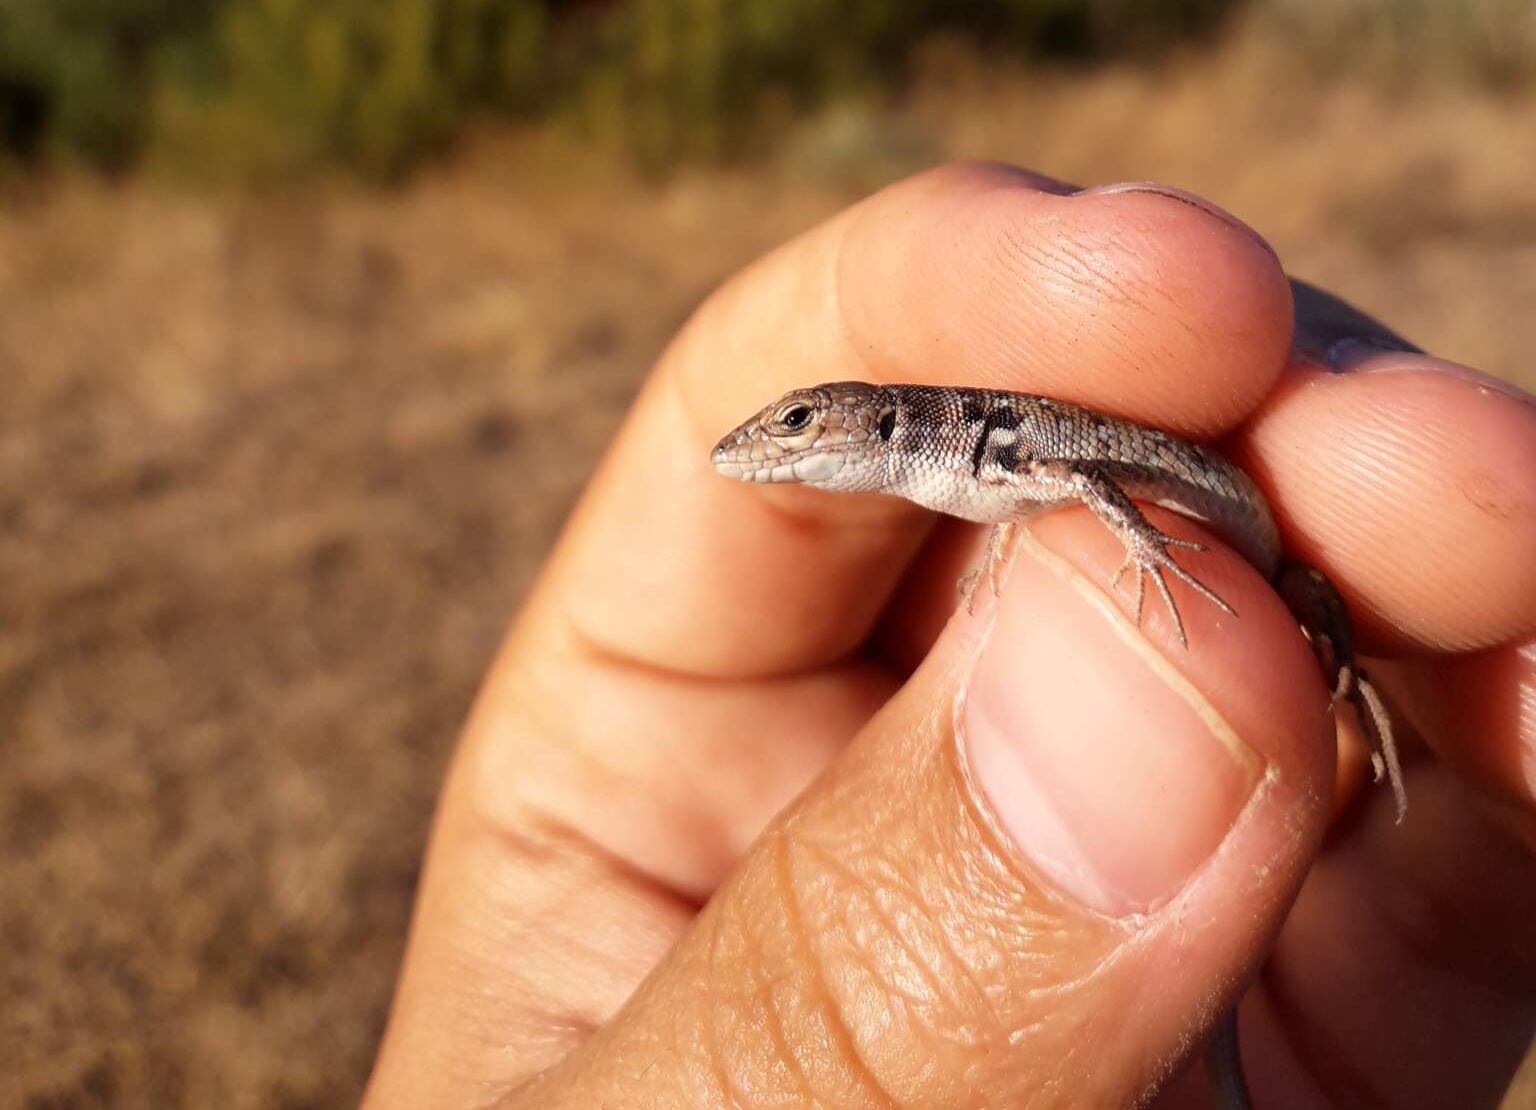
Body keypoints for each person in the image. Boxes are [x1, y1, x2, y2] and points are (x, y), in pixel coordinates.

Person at [361, 165, 1536, 1109]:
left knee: (1322, 608)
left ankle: (1361, 690)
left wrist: (1133, 544)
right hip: (1240, 573)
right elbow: (1031, 500)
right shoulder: (942, 465)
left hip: (1263, 539)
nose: (782, 444)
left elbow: (1075, 471)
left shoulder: (980, 436)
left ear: (874, 418)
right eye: (789, 428)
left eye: (803, 425)